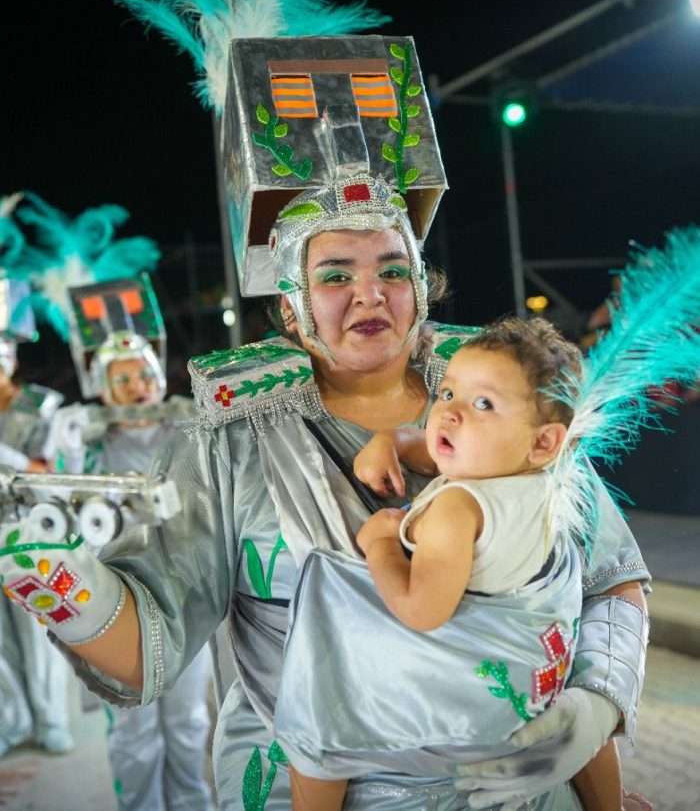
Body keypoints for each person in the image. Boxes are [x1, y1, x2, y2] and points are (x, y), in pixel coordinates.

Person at [0, 172, 651, 810]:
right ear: (291, 302)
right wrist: (53, 578)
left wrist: (592, 706)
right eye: (336, 275)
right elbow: (150, 648)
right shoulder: (228, 442)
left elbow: (610, 577)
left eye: (393, 271)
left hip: (523, 781)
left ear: (421, 289)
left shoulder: (510, 401)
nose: (369, 293)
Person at [276, 315, 633, 811]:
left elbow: (422, 610)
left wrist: (379, 544)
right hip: (542, 693)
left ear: (545, 441)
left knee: (313, 726)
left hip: (465, 715)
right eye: (446, 394)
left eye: (483, 403)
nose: (449, 414)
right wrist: (396, 441)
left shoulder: (456, 509)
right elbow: (450, 451)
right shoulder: (543, 480)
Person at [48, 324, 214, 811]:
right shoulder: (91, 443)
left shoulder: (187, 430)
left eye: (143, 375)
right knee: (132, 724)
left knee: (188, 721)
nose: (137, 388)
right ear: (103, 390)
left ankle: (192, 804)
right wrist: (70, 445)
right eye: (122, 381)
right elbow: (61, 500)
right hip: (114, 598)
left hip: (187, 595)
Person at [0, 335, 74, 758]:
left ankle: (51, 720)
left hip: (26, 529)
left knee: (35, 627)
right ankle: (13, 720)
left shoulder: (42, 404)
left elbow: (49, 471)